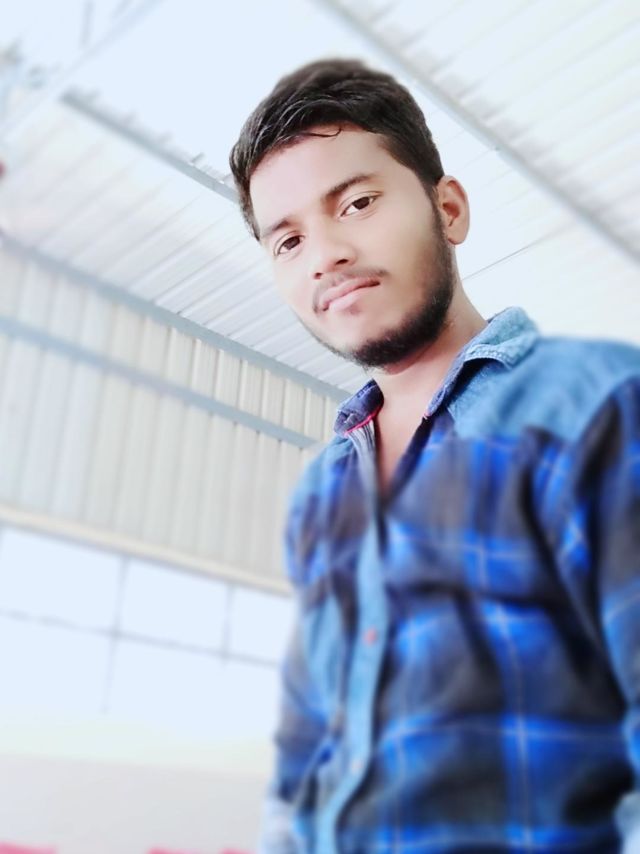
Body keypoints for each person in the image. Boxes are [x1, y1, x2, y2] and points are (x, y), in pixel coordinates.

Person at [229, 59, 640, 854]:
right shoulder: (324, 486)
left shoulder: (596, 407)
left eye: (357, 203)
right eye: (288, 239)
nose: (324, 254)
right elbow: (308, 754)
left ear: (448, 209)